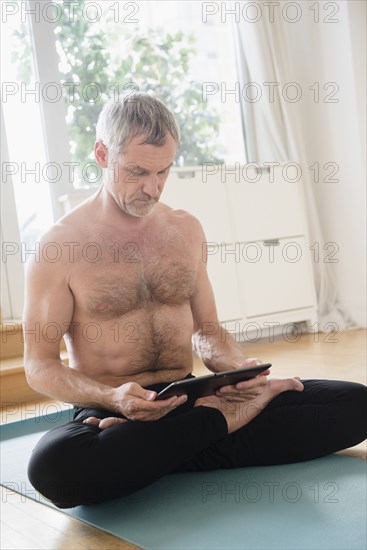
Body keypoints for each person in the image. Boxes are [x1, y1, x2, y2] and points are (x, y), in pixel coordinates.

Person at [25, 93, 366, 508]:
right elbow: (39, 365)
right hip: (114, 414)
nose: (152, 188)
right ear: (101, 154)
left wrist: (239, 369)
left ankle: (168, 450)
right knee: (55, 468)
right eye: (137, 171)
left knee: (354, 404)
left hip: (195, 399)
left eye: (163, 171)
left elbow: (208, 332)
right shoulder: (59, 247)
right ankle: (214, 431)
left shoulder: (184, 230)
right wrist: (112, 398)